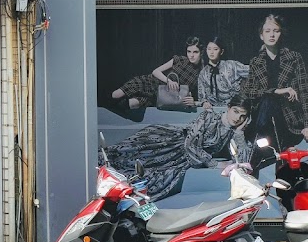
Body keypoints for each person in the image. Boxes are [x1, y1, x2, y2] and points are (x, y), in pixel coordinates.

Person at [103, 96, 253, 200]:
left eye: (243, 116)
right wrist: (215, 163)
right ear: (228, 108)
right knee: (128, 156)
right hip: (173, 142)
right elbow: (191, 144)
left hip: (187, 157)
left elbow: (242, 161)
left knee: (159, 177)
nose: (237, 118)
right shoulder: (208, 117)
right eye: (236, 111)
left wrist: (240, 132)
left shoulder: (233, 131)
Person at [242, 14, 308, 151]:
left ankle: (261, 148)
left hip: (289, 121)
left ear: (281, 34)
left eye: (276, 31)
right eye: (267, 31)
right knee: (268, 100)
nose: (271, 35)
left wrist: (307, 125)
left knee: (269, 101)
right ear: (261, 35)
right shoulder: (256, 62)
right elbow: (248, 91)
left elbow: (304, 92)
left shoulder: (294, 58)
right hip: (264, 121)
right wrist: (277, 91)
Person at [111, 36, 203, 110]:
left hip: (159, 97)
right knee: (115, 95)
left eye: (195, 52)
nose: (191, 55)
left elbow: (196, 96)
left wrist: (192, 100)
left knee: (131, 104)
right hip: (150, 83)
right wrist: (169, 81)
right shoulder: (179, 60)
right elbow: (156, 71)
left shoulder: (201, 72)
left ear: (201, 52)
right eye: (189, 51)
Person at [196, 37, 249, 107]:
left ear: (221, 51)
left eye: (215, 49)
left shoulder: (231, 65)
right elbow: (201, 97)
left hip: (234, 108)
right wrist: (204, 103)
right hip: (213, 110)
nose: (211, 52)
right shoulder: (203, 73)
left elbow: (253, 71)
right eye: (209, 49)